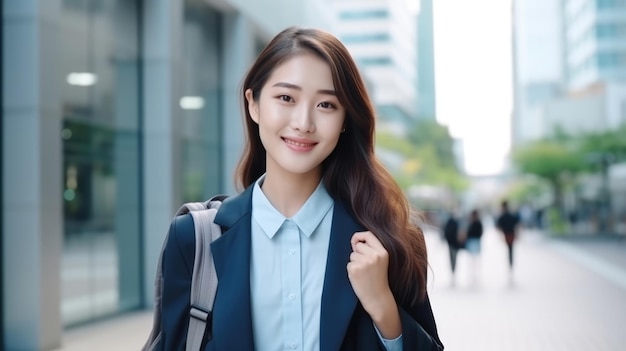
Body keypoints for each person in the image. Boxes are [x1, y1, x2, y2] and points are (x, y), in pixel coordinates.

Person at [159, 27, 443, 350]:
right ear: (253, 104)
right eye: (286, 98)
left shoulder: (390, 238)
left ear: (346, 119)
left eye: (326, 105)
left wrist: (383, 308)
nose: (304, 122)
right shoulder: (195, 240)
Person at [496, 200, 519, 278]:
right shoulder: (509, 215)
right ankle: (510, 264)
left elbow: (498, 227)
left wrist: (500, 236)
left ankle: (510, 265)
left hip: (508, 235)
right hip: (510, 235)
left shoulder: (503, 216)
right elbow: (518, 224)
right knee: (510, 250)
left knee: (509, 250)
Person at [464, 209, 483, 283]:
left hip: (474, 241)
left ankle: (474, 272)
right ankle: (473, 272)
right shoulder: (474, 223)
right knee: (473, 258)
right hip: (474, 241)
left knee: (474, 258)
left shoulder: (474, 223)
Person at [442, 211, 462, 285]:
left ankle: (453, 271)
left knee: (452, 258)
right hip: (453, 244)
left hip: (451, 244)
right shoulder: (454, 223)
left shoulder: (452, 222)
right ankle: (453, 271)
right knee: (453, 258)